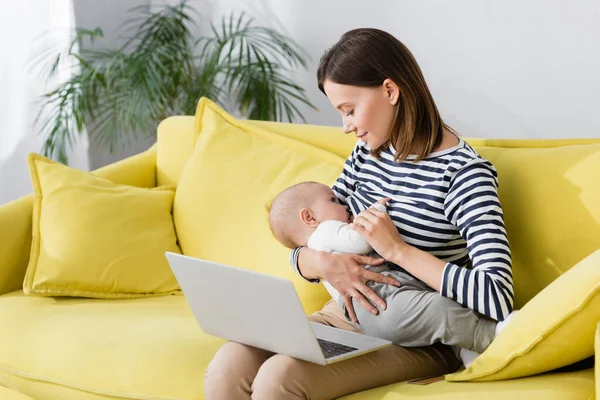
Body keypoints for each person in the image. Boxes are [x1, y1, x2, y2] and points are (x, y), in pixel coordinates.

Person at [204, 28, 514, 399]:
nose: (346, 125)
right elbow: (313, 236)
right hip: (347, 313)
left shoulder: (465, 175)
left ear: (389, 91)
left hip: (418, 333)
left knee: (278, 379)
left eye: (349, 110)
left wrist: (399, 251)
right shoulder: (367, 155)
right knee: (228, 366)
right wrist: (317, 264)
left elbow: (497, 296)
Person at [267, 181, 514, 360]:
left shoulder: (464, 175)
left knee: (436, 310)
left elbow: (493, 290)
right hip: (381, 305)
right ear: (309, 217)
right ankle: (488, 335)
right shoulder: (325, 230)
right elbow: (359, 240)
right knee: (437, 310)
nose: (343, 203)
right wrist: (376, 213)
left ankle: (465, 347)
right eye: (334, 201)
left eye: (350, 111)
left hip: (384, 297)